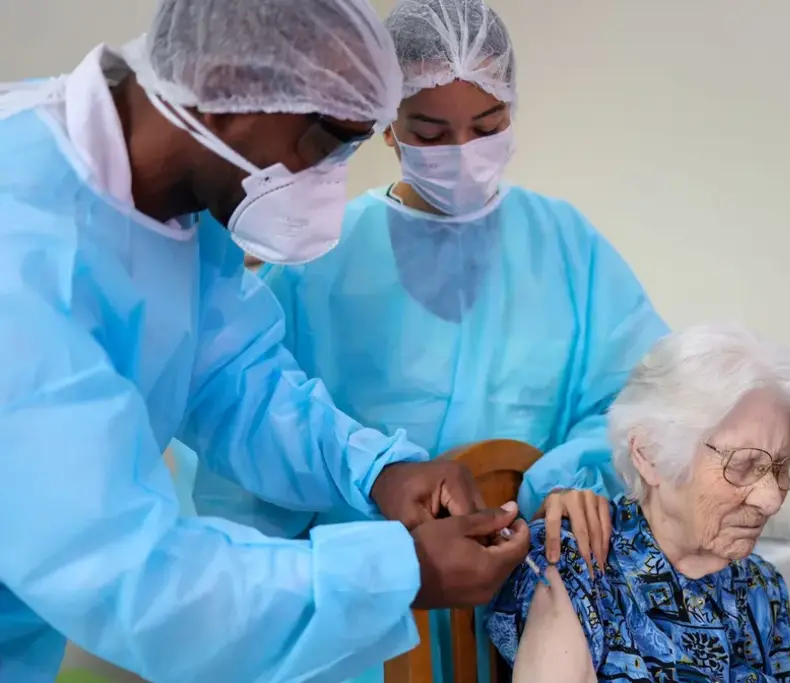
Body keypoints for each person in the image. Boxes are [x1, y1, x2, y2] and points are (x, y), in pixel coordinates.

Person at [0, 1, 531, 681]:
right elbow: (137, 578)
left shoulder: (183, 199)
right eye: (326, 141)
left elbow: (236, 379)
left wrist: (374, 469)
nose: (332, 181)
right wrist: (402, 570)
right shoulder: (21, 250)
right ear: (226, 89)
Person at [187, 0, 669, 679]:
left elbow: (645, 398)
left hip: (526, 610)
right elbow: (247, 455)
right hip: (361, 628)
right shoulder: (319, 259)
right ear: (386, 126)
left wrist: (558, 484)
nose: (463, 154)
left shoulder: (566, 246)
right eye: (432, 132)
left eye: (487, 125)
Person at [488, 322, 790, 682]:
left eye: (782, 466)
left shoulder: (762, 587)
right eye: (744, 465)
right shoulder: (577, 567)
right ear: (650, 455)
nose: (771, 499)